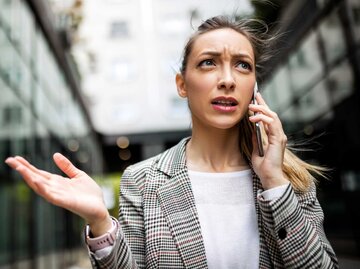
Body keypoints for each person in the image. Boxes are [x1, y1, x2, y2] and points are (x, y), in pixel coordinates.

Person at [5, 15, 338, 269]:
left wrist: (274, 182)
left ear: (254, 84)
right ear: (182, 84)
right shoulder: (142, 180)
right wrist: (101, 222)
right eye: (209, 63)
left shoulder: (288, 178)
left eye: (242, 65)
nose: (226, 80)